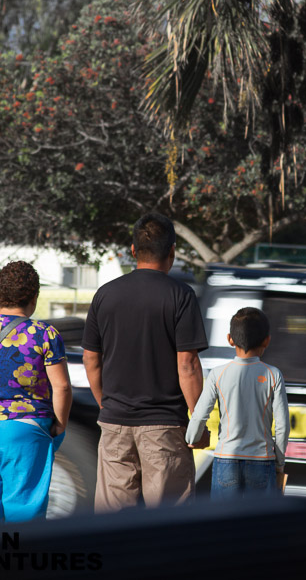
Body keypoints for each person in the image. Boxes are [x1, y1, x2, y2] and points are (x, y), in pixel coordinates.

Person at [82, 212, 209, 512]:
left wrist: (106, 403)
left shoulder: (105, 295)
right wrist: (198, 420)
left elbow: (91, 360)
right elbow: (188, 365)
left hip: (114, 423)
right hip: (164, 427)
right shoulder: (181, 296)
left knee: (113, 523)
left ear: (133, 250)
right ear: (173, 252)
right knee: (167, 522)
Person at [0, 261, 73, 522]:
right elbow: (61, 386)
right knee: (23, 514)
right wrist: (60, 425)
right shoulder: (44, 334)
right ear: (34, 297)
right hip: (24, 429)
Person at [186, 307, 289, 500]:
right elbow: (282, 426)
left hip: (226, 460)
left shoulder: (218, 374)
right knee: (257, 525)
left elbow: (200, 415)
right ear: (267, 340)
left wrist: (192, 438)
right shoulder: (273, 374)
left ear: (230, 339)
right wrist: (279, 463)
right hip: (262, 461)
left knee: (224, 524)